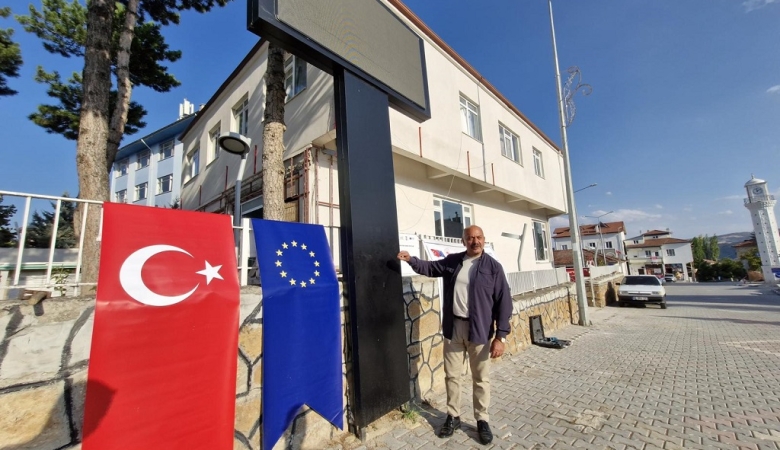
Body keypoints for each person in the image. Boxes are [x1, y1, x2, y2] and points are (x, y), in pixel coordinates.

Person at [397, 225, 512, 445]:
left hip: (479, 331)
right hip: (454, 329)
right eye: (470, 238)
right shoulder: (453, 262)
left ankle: (482, 420)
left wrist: (501, 336)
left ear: (484, 240)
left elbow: (504, 303)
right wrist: (411, 259)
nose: (475, 241)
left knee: (481, 378)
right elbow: (430, 268)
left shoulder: (493, 268)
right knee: (452, 376)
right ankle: (453, 416)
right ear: (464, 241)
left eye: (478, 237)